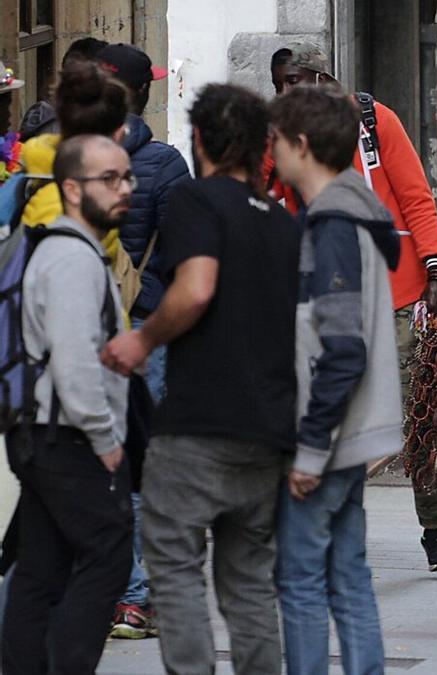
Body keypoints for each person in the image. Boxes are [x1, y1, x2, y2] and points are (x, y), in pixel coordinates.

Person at [100, 84, 300, 674]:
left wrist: (141, 339)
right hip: (267, 431)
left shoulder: (197, 200)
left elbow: (195, 289)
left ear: (202, 139)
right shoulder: (283, 223)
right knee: (248, 583)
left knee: (175, 566)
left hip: (199, 426)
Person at [268, 42, 437, 571]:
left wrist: (436, 267)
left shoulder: (374, 122)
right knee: (334, 416)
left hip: (397, 292)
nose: (289, 92)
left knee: (409, 422)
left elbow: (417, 197)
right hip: (324, 295)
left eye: (298, 81)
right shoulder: (281, 136)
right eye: (280, 83)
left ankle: (433, 524)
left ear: (324, 78)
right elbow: (264, 195)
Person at [268, 83, 400, 673]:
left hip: (330, 438)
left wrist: (310, 447)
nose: (271, 151)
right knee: (348, 576)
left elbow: (341, 349)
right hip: (354, 433)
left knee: (300, 581)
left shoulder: (333, 225)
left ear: (300, 145)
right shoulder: (356, 214)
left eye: (276, 140)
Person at [1, 134, 132, 674]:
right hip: (66, 434)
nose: (125, 189)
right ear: (73, 189)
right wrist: (105, 439)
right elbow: (75, 360)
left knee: (39, 566)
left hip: (41, 430)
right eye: (110, 180)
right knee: (109, 550)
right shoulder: (73, 257)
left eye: (126, 177)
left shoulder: (62, 248)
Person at [96, 41, 191, 642]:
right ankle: (138, 595)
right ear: (145, 93)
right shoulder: (164, 163)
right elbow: (183, 253)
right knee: (142, 466)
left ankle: (114, 587)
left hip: (86, 327)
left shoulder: (68, 153)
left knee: (98, 459)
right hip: (144, 329)